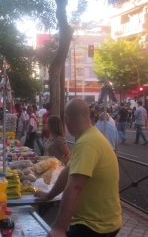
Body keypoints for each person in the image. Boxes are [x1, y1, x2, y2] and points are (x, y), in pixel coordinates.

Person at [34, 98, 121, 237]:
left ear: (67, 119)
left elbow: (75, 186)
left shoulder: (87, 142)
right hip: (96, 222)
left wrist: (59, 228)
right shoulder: (88, 137)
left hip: (96, 226)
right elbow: (67, 172)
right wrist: (49, 195)